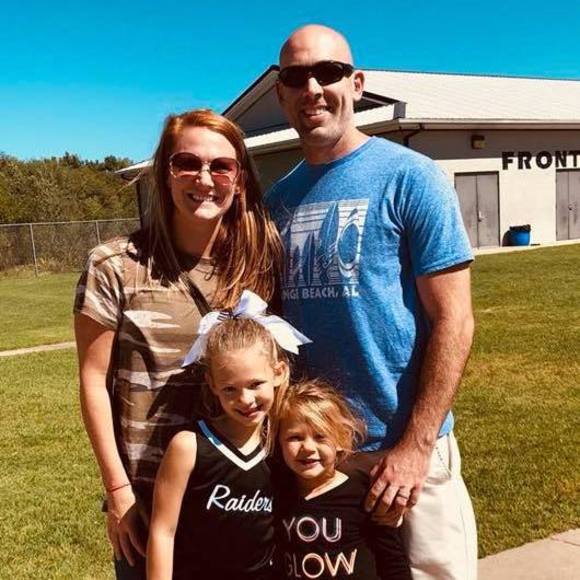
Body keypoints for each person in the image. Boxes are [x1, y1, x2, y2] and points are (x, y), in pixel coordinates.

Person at [267, 25, 478, 579]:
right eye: (297, 77)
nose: (313, 88)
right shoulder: (277, 201)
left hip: (407, 451)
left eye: (328, 72)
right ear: (281, 94)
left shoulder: (411, 178)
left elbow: (454, 319)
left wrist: (416, 446)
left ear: (356, 84)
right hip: (321, 455)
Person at [74, 109, 282, 578]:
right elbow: (93, 380)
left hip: (242, 499)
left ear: (239, 180)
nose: (204, 179)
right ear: (165, 173)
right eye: (187, 163)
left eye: (221, 166)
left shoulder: (257, 263)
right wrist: (118, 491)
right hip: (148, 504)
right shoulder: (114, 265)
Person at [147, 291, 309, 579]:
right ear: (212, 384)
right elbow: (162, 532)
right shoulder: (189, 446)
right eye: (230, 389)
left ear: (279, 372)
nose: (245, 400)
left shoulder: (281, 446)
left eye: (255, 384)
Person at [273, 379, 412, 580]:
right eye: (295, 437)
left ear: (341, 439)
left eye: (320, 437)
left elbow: (391, 559)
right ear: (279, 441)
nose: (308, 447)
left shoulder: (363, 494)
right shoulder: (278, 495)